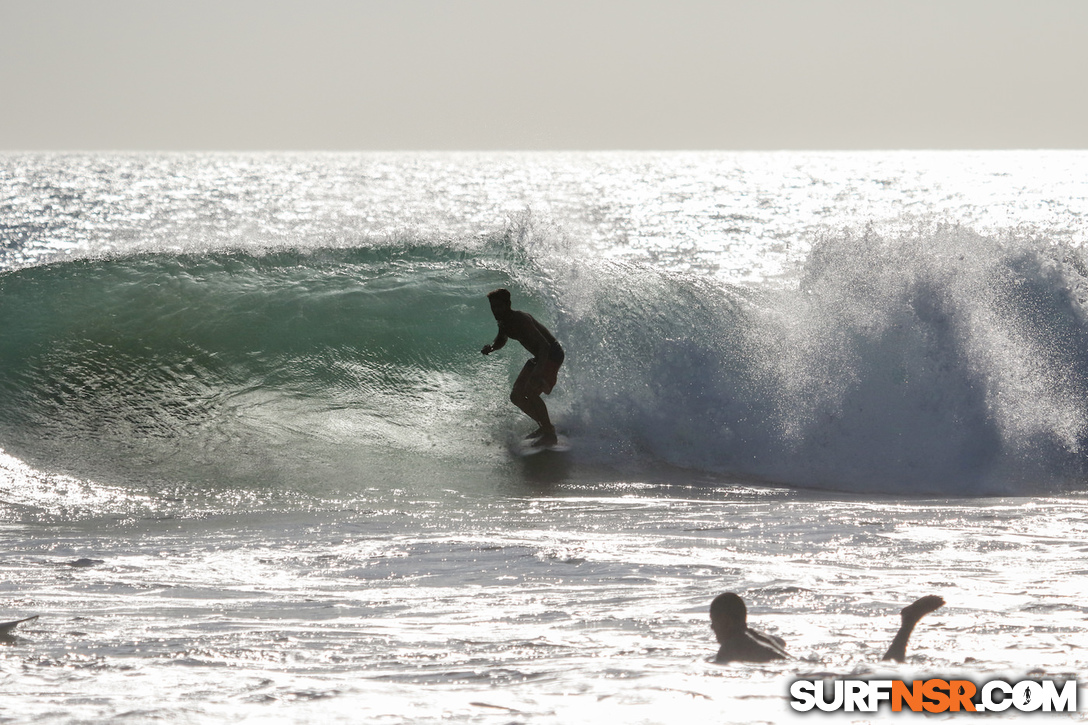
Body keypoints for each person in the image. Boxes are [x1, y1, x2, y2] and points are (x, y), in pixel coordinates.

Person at [710, 592, 945, 664]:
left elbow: (719, 669)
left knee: (886, 674)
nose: (713, 629)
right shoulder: (756, 634)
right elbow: (779, 641)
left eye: (715, 622)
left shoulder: (730, 647)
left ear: (727, 621)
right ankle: (908, 623)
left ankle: (908, 623)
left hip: (799, 674)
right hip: (802, 664)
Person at [481, 288, 564, 446]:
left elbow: (545, 346)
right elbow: (501, 339)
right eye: (493, 307)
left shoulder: (520, 319)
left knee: (531, 392)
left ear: (508, 305)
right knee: (516, 396)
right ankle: (544, 426)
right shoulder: (503, 321)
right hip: (539, 357)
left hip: (551, 354)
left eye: (499, 306)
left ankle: (549, 434)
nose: (495, 310)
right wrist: (491, 348)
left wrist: (538, 371)